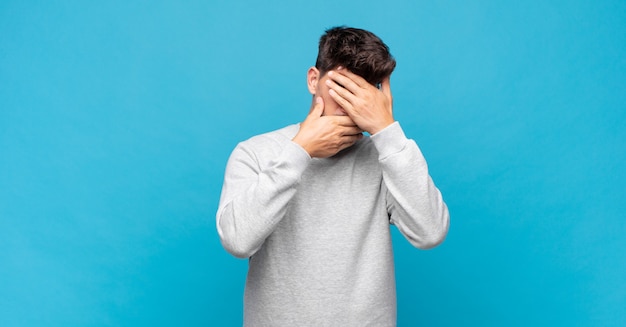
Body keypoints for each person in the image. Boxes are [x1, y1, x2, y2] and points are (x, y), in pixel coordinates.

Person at [216, 26, 450, 326]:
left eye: (364, 94)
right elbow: (237, 240)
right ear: (314, 80)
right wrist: (299, 152)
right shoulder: (256, 152)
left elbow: (430, 233)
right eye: (342, 88)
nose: (351, 106)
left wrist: (388, 132)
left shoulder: (387, 158)